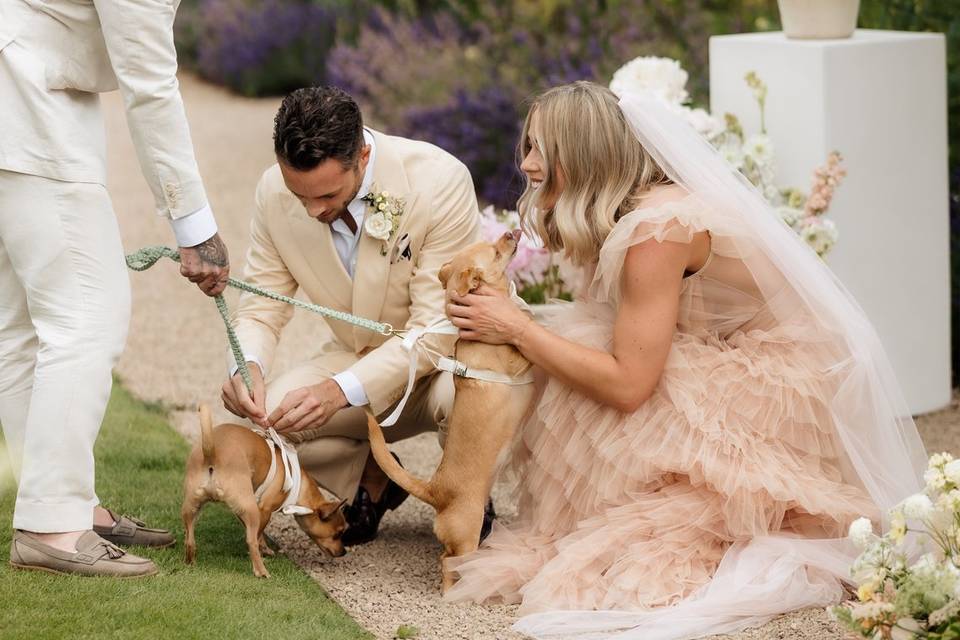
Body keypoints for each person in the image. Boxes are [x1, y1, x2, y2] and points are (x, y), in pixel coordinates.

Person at [443, 81, 927, 639]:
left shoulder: (657, 229)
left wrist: (517, 326)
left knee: (579, 371)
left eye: (541, 150)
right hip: (703, 348)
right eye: (526, 146)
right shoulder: (623, 209)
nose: (526, 164)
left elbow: (628, 384)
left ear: (584, 156)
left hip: (767, 377)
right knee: (572, 346)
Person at [0, 0, 229, 577]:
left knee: (23, 327)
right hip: (25, 110)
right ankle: (53, 526)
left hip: (17, 102)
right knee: (85, 317)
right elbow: (149, 85)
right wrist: (195, 229)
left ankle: (63, 505)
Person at [220, 86, 489, 545]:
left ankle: (470, 497)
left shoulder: (440, 181)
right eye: (298, 194)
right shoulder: (272, 192)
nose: (312, 209)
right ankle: (372, 477)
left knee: (475, 387)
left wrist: (336, 392)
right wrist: (248, 367)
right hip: (356, 359)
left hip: (446, 363)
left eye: (327, 195)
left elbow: (436, 328)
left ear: (362, 157)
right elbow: (262, 307)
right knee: (265, 417)